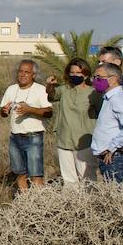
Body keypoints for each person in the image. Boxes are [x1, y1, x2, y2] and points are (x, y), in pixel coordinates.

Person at [0, 59, 53, 191]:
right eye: (20, 72)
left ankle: (41, 204)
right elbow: (2, 112)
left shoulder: (40, 90)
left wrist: (30, 110)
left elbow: (49, 112)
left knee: (36, 175)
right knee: (19, 173)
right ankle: (25, 204)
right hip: (15, 137)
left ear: (33, 75)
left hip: (33, 137)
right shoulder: (11, 89)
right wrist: (4, 110)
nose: (23, 75)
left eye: (27, 72)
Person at [45, 57, 97, 185]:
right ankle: (72, 204)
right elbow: (51, 96)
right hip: (65, 139)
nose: (74, 75)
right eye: (72, 72)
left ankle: (90, 204)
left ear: (85, 75)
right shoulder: (64, 89)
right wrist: (50, 85)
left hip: (84, 142)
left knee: (87, 178)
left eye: (78, 73)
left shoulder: (94, 93)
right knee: (69, 179)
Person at [90, 62, 123, 189]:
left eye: (99, 77)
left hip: (116, 160)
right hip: (111, 159)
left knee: (122, 201)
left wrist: (113, 147)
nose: (95, 80)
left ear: (112, 79)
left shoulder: (119, 98)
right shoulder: (109, 98)